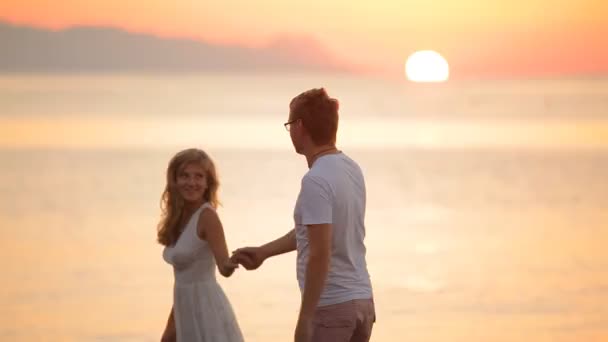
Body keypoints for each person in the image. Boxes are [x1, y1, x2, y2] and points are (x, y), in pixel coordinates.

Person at [233, 88, 375, 342]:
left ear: (299, 126)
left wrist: (306, 318)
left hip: (331, 308)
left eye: (289, 124)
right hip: (362, 303)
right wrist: (264, 252)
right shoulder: (352, 168)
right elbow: (315, 231)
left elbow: (319, 255)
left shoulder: (316, 180)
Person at [158, 148, 244, 342]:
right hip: (183, 310)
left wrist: (232, 263)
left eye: (199, 177)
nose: (192, 182)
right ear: (175, 180)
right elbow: (183, 281)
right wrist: (171, 327)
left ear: (207, 183)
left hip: (206, 311)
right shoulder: (177, 218)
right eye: (185, 176)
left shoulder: (207, 217)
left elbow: (224, 267)